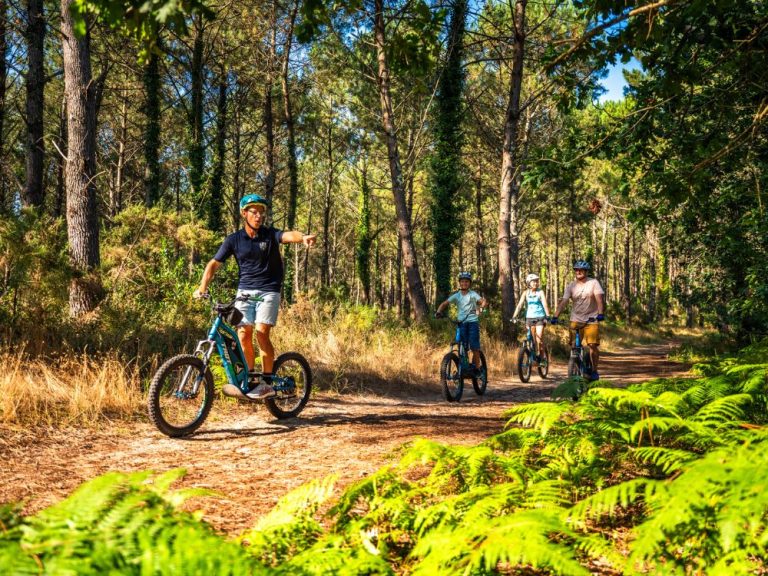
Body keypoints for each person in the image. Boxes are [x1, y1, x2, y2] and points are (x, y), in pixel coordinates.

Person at [193, 194, 316, 399]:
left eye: (261, 212)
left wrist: (302, 237)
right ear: (244, 213)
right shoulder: (234, 240)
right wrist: (202, 287)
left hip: (269, 290)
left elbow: (287, 235)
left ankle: (267, 382)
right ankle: (249, 381)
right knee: (243, 333)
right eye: (253, 212)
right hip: (245, 291)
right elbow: (213, 264)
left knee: (261, 332)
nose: (258, 216)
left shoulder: (269, 235)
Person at [551, 260, 605, 380]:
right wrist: (555, 316)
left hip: (591, 318)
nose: (578, 272)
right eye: (576, 270)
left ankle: (594, 370)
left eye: (581, 270)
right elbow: (564, 302)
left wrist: (600, 314)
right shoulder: (571, 285)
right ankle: (575, 365)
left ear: (586, 271)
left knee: (592, 345)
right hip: (575, 318)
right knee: (574, 345)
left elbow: (599, 300)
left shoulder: (593, 283)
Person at [435, 272, 488, 376]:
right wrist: (438, 312)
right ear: (459, 283)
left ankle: (477, 369)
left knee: (474, 346)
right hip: (461, 324)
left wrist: (481, 306)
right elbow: (444, 303)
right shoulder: (457, 296)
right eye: (462, 281)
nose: (464, 283)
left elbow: (482, 301)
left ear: (469, 283)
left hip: (472, 323)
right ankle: (463, 368)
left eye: (467, 281)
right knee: (460, 345)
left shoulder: (473, 294)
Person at [512, 273, 550, 361]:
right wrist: (514, 316)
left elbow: (544, 304)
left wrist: (547, 316)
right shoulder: (525, 293)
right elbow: (520, 305)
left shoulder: (540, 292)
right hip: (529, 318)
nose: (536, 283)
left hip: (540, 317)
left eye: (537, 282)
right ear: (529, 283)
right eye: (534, 282)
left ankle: (542, 358)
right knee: (530, 339)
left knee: (538, 339)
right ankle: (531, 357)